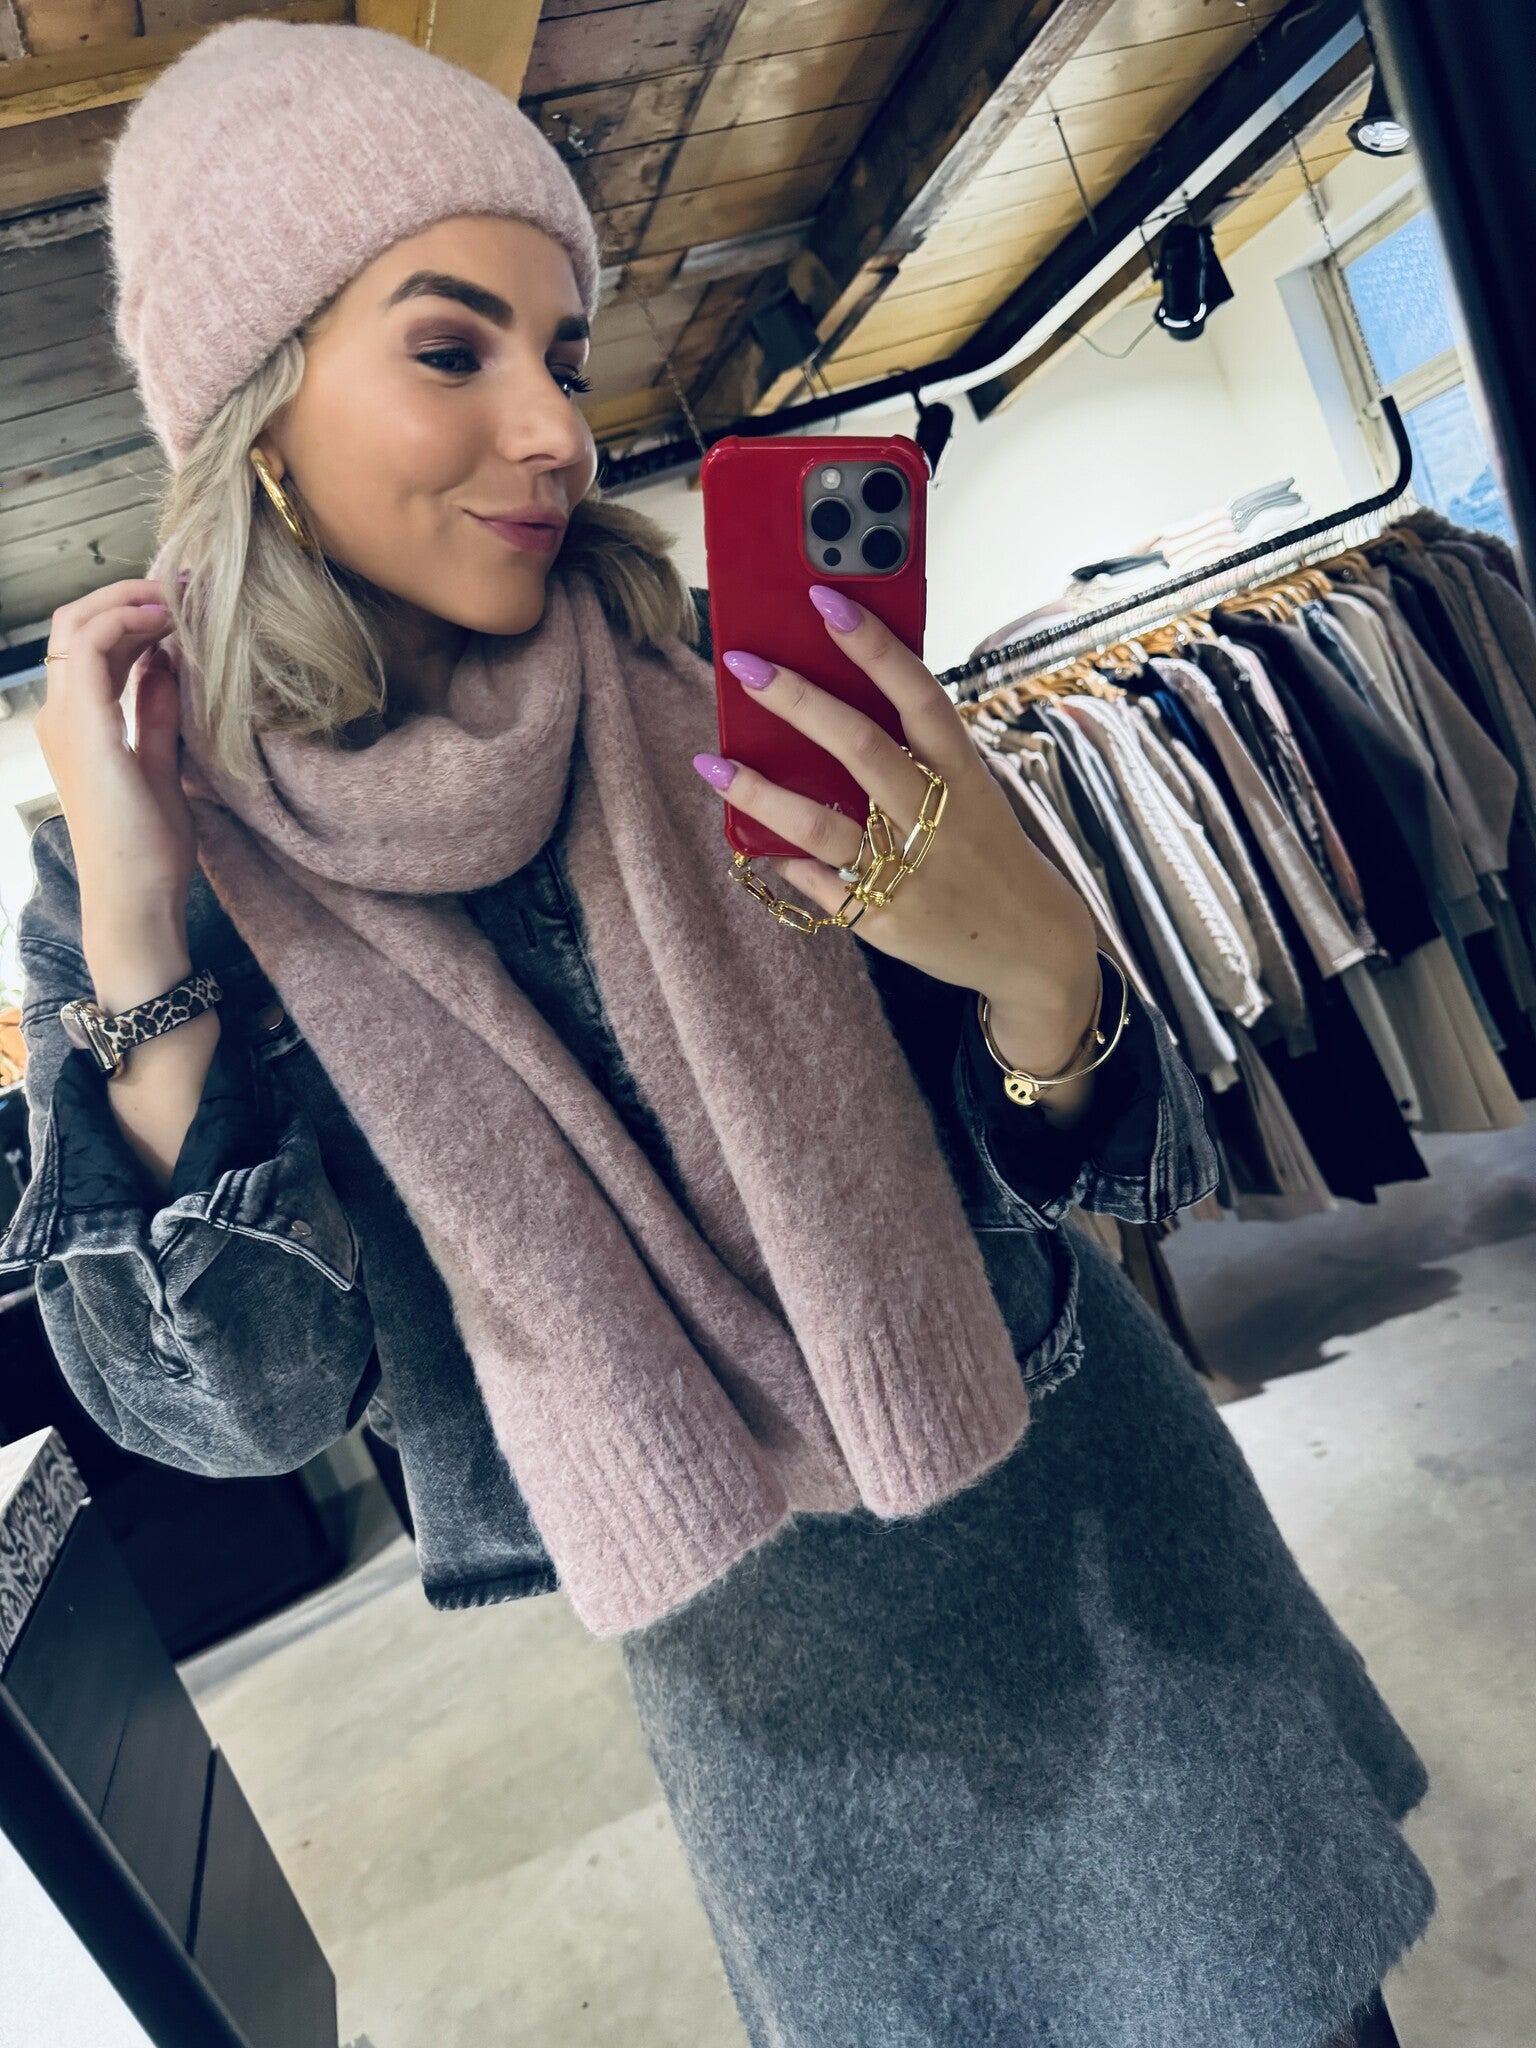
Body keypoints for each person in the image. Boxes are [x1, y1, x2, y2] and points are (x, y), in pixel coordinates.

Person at [2, 21, 1432, 2046]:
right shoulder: (157, 862)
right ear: (259, 415)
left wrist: (1044, 968)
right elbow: (239, 1416)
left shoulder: (721, 682)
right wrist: (140, 924)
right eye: (451, 348)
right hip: (778, 1704)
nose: (554, 430)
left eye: (562, 354)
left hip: (1094, 1525)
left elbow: (1101, 1160)